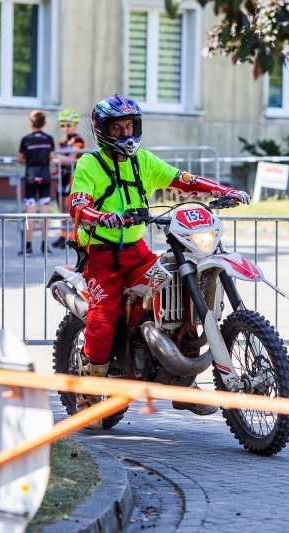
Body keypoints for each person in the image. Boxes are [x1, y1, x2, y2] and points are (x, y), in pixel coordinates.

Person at [68, 94, 251, 428]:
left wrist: (222, 190)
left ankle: (184, 384)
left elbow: (184, 180)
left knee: (177, 294)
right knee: (104, 313)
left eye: (130, 126)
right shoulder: (88, 165)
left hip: (136, 249)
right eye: (118, 127)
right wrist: (98, 216)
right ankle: (88, 391)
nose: (126, 133)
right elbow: (78, 203)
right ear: (102, 131)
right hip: (103, 255)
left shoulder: (145, 162)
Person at [18, 110, 55, 255]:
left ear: (30, 123)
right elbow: (51, 157)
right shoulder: (49, 139)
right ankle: (45, 245)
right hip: (45, 176)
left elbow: (20, 158)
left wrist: (30, 159)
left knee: (30, 213)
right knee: (45, 212)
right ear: (44, 123)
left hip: (30, 177)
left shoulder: (26, 139)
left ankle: (28, 246)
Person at [51, 108, 87, 249]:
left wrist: (59, 158)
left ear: (75, 125)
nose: (65, 128)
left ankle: (71, 236)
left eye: (68, 125)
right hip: (61, 176)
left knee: (68, 208)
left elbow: (72, 159)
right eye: (62, 125)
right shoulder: (62, 142)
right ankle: (62, 235)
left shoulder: (78, 140)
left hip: (71, 176)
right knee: (60, 207)